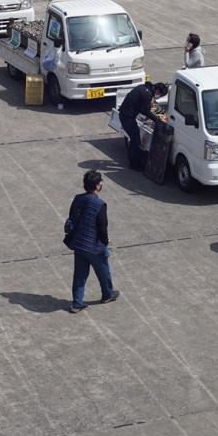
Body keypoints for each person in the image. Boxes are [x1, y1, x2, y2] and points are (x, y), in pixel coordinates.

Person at [66, 170, 119, 313]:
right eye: (100, 182)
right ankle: (108, 294)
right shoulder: (100, 204)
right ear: (97, 186)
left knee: (80, 275)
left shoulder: (78, 199)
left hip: (79, 243)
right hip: (94, 246)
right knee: (103, 271)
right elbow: (102, 227)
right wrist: (106, 242)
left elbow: (72, 217)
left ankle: (77, 303)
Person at [118, 80, 169, 170]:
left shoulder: (143, 88)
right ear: (157, 91)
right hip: (127, 117)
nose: (158, 97)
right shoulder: (147, 94)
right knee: (136, 140)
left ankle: (133, 161)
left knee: (135, 139)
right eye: (160, 95)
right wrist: (157, 120)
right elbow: (146, 110)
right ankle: (134, 164)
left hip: (126, 114)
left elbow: (144, 108)